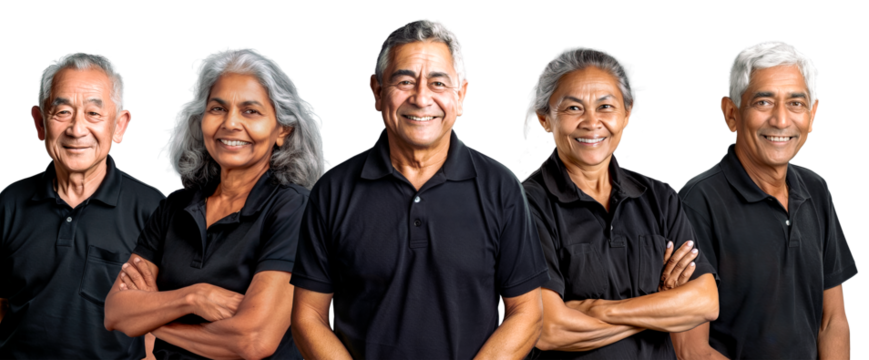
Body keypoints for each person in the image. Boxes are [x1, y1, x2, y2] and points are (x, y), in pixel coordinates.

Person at [290, 17, 549, 359]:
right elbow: (308, 316)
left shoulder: (501, 188)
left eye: (438, 83)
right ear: (377, 91)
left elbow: (527, 312)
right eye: (405, 81)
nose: (421, 98)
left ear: (461, 95)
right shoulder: (332, 191)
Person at [103, 47, 328, 360]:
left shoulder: (294, 210)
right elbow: (115, 311)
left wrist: (152, 319)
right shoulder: (174, 206)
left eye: (251, 111)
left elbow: (253, 340)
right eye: (218, 108)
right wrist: (194, 297)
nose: (230, 123)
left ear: (282, 130)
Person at [520, 45, 720, 359]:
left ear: (627, 113)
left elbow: (706, 302)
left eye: (605, 106)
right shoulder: (525, 205)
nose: (592, 122)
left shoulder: (660, 197)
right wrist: (660, 308)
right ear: (545, 119)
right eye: (573, 108)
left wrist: (598, 310)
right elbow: (548, 328)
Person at [0, 49, 163, 359]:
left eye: (93, 113)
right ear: (39, 123)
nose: (76, 129)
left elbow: (164, 312)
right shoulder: (10, 203)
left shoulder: (153, 209)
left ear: (120, 126)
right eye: (62, 112)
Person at [672, 40, 857, 360]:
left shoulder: (816, 189)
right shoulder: (696, 203)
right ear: (731, 114)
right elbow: (690, 349)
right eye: (763, 102)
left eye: (796, 103)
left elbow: (832, 320)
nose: (781, 120)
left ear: (812, 115)